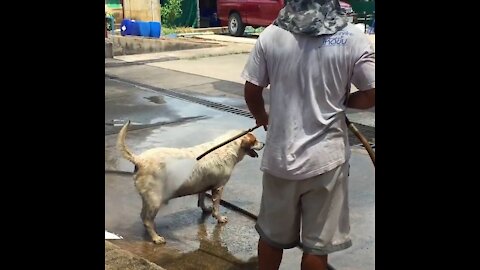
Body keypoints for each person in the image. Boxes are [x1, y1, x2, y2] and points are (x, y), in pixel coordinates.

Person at [241, 0, 375, 269]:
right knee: (317, 248)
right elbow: (372, 91)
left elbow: (252, 90)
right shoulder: (352, 38)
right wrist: (344, 102)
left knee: (270, 237)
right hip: (326, 163)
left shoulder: (271, 36)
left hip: (280, 160)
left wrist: (262, 118)